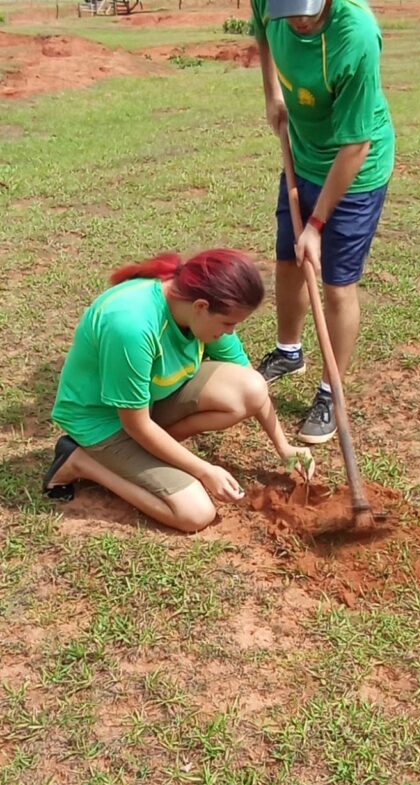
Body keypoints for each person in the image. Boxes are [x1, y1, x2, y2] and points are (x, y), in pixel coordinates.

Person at [43, 248, 314, 533]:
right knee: (194, 514)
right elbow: (136, 425)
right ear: (200, 306)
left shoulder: (195, 306)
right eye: (228, 323)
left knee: (250, 388)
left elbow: (249, 381)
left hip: (148, 403)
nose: (231, 332)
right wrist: (204, 470)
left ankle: (146, 456)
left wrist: (285, 448)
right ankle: (81, 463)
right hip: (103, 422)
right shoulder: (131, 326)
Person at [252, 0, 395, 442]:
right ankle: (288, 351)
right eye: (289, 11)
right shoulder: (270, 4)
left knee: (336, 284)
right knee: (287, 262)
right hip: (302, 156)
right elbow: (262, 33)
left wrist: (315, 225)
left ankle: (331, 390)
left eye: (308, 13)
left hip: (354, 174)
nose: (298, 20)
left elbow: (357, 145)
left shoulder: (356, 37)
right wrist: (273, 94)